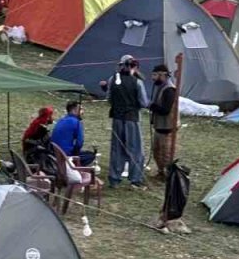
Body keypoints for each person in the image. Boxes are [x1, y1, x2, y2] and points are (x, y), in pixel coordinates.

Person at [105, 54, 148, 189]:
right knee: (135, 150)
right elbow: (143, 102)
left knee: (117, 150)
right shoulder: (138, 82)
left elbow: (109, 99)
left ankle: (114, 179)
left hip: (117, 119)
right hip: (132, 119)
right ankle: (135, 179)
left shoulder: (112, 79)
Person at [148, 63, 178, 178]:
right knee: (157, 152)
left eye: (155, 75)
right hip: (159, 126)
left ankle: (168, 175)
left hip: (167, 128)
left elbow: (165, 110)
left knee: (166, 154)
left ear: (162, 75)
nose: (153, 78)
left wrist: (151, 105)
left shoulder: (169, 90)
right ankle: (161, 172)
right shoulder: (161, 88)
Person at [51, 100, 95, 166]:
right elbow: (79, 143)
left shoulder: (61, 120)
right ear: (74, 110)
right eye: (81, 109)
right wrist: (75, 154)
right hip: (66, 154)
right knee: (91, 155)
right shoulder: (77, 122)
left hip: (55, 152)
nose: (83, 112)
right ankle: (75, 167)